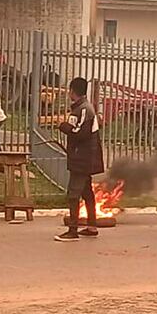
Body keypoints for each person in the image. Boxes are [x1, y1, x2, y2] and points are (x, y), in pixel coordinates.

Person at [54, 77, 105, 242]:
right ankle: (91, 226)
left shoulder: (84, 110)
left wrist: (63, 126)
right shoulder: (82, 108)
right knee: (87, 192)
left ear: (72, 91)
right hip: (82, 156)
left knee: (74, 193)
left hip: (82, 158)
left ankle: (73, 230)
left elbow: (79, 132)